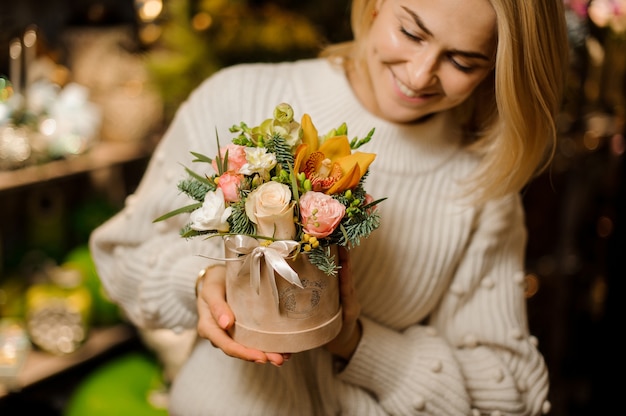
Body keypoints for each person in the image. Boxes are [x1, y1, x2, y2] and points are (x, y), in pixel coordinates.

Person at [89, 0, 569, 414]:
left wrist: (357, 342)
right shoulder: (238, 93)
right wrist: (201, 282)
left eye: (463, 62)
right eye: (410, 32)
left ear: (498, 68)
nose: (420, 74)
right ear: (375, 5)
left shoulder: (482, 179)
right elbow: (121, 255)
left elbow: (513, 394)